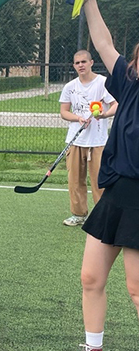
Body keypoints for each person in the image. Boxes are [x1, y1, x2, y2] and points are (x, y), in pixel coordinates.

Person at [55, 0, 139, 351]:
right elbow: (102, 40)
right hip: (117, 191)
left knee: (137, 289)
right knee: (90, 277)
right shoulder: (128, 83)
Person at [59, 50, 117, 227]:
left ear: (91, 63)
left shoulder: (103, 83)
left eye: (84, 62)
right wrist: (78, 118)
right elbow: (64, 112)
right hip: (75, 140)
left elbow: (116, 104)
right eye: (77, 63)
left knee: (100, 181)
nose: (81, 65)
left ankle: (102, 216)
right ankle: (78, 214)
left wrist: (104, 114)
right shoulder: (70, 87)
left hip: (98, 142)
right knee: (75, 181)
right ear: (74, 66)